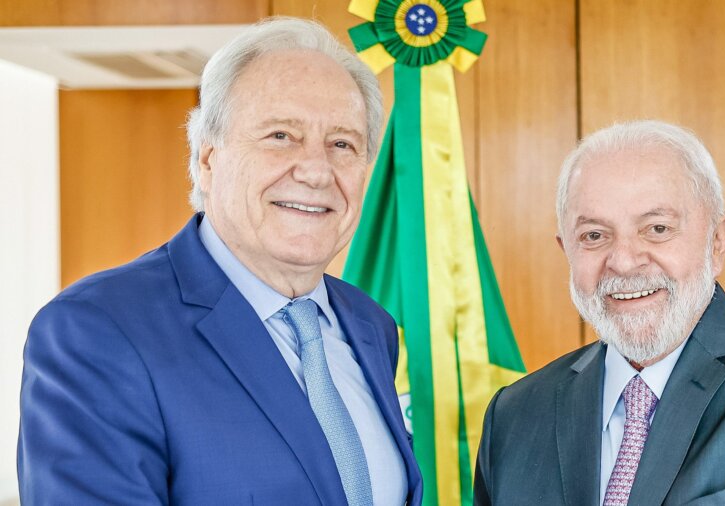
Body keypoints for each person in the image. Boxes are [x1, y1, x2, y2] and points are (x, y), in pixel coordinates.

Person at [18, 17, 422, 505]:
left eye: (342, 144)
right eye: (281, 136)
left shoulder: (370, 324)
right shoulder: (96, 330)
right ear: (208, 159)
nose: (317, 171)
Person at [473, 120, 725, 505]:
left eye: (657, 228)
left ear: (717, 241)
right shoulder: (513, 415)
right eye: (594, 235)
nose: (624, 260)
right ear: (567, 251)